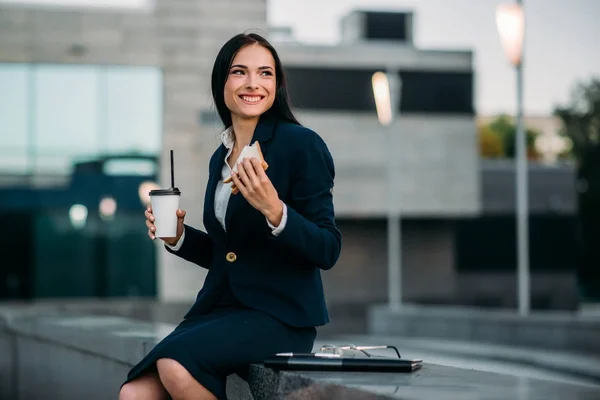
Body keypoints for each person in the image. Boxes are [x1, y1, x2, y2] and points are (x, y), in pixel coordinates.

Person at [119, 32, 342, 400]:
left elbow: (328, 248)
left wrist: (275, 209)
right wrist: (178, 237)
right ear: (222, 81)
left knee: (175, 366)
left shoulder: (302, 145)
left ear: (277, 84)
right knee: (134, 393)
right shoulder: (219, 157)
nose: (253, 83)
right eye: (240, 72)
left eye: (265, 73)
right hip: (220, 308)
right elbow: (230, 255)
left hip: (279, 316)